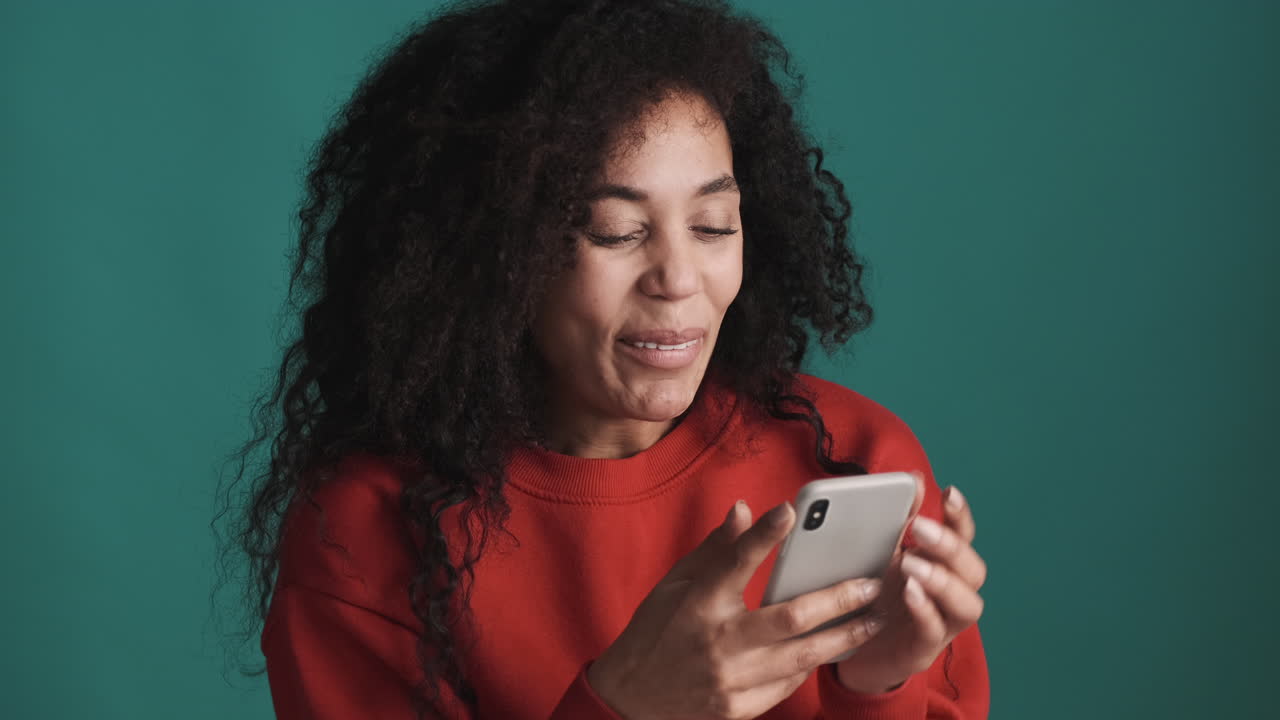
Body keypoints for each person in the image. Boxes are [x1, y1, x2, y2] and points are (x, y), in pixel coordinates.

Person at [223, 0, 990, 718]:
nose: (679, 279)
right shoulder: (364, 536)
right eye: (617, 232)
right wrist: (624, 703)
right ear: (493, 253)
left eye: (715, 226)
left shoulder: (853, 456)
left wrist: (877, 684)